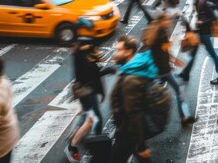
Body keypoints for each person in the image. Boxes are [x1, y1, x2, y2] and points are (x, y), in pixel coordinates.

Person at [65, 35, 115, 163]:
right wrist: (108, 69)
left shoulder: (81, 54)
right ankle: (75, 146)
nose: (95, 48)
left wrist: (97, 58)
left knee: (87, 115)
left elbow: (94, 73)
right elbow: (94, 75)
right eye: (92, 46)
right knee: (94, 119)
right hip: (87, 93)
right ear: (85, 46)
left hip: (86, 92)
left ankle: (73, 136)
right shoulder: (82, 57)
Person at [110, 36, 160, 163]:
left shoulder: (130, 79)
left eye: (118, 50)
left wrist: (141, 145)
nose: (115, 54)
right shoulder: (134, 67)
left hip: (128, 132)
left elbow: (134, 113)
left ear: (128, 51)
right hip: (130, 131)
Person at [143, 13, 196, 126]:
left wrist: (174, 60)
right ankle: (183, 117)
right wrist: (172, 61)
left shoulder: (157, 32)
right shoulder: (160, 34)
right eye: (167, 20)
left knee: (174, 91)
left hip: (161, 70)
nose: (170, 22)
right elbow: (163, 52)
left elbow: (164, 51)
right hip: (162, 71)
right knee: (171, 92)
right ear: (162, 21)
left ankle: (184, 118)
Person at [178, 0, 218, 85]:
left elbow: (214, 17)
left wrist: (202, 22)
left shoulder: (203, 1)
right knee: (193, 53)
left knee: (212, 53)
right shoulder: (197, 1)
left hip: (204, 33)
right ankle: (185, 73)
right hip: (199, 31)